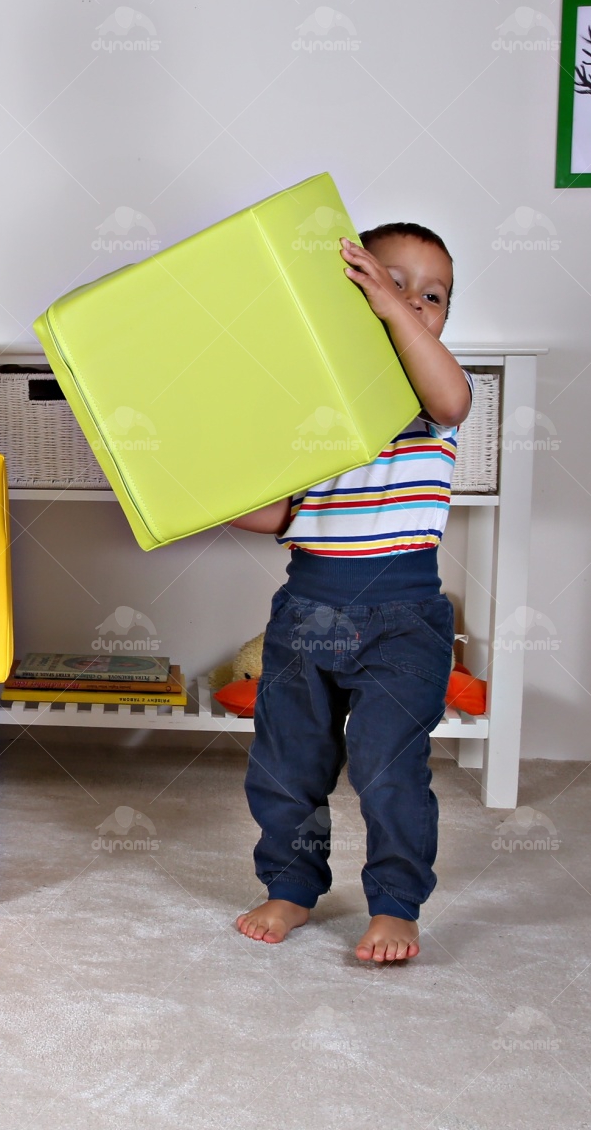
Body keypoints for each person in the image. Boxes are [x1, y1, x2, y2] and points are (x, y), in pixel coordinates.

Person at [229, 224, 471, 963]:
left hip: (404, 623)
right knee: (286, 764)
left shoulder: (427, 397)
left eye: (432, 296)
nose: (413, 301)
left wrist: (392, 312)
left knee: (386, 765)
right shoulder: (316, 406)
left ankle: (396, 903)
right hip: (306, 614)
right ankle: (291, 885)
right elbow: (280, 514)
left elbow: (453, 400)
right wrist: (194, 496)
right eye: (392, 281)